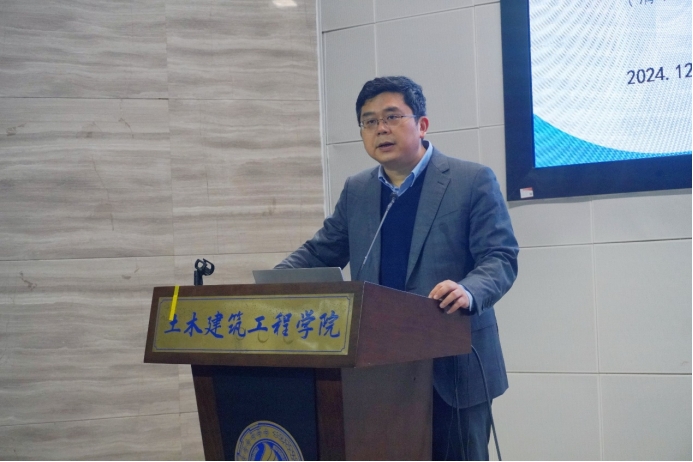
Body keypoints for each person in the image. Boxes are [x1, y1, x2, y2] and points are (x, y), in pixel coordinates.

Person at [275, 76, 519, 460]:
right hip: (378, 373)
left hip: (452, 370)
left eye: (392, 117)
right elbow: (319, 253)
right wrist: (271, 283)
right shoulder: (358, 190)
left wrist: (469, 290)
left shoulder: (471, 181)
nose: (381, 129)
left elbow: (500, 256)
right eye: (369, 121)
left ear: (422, 125)